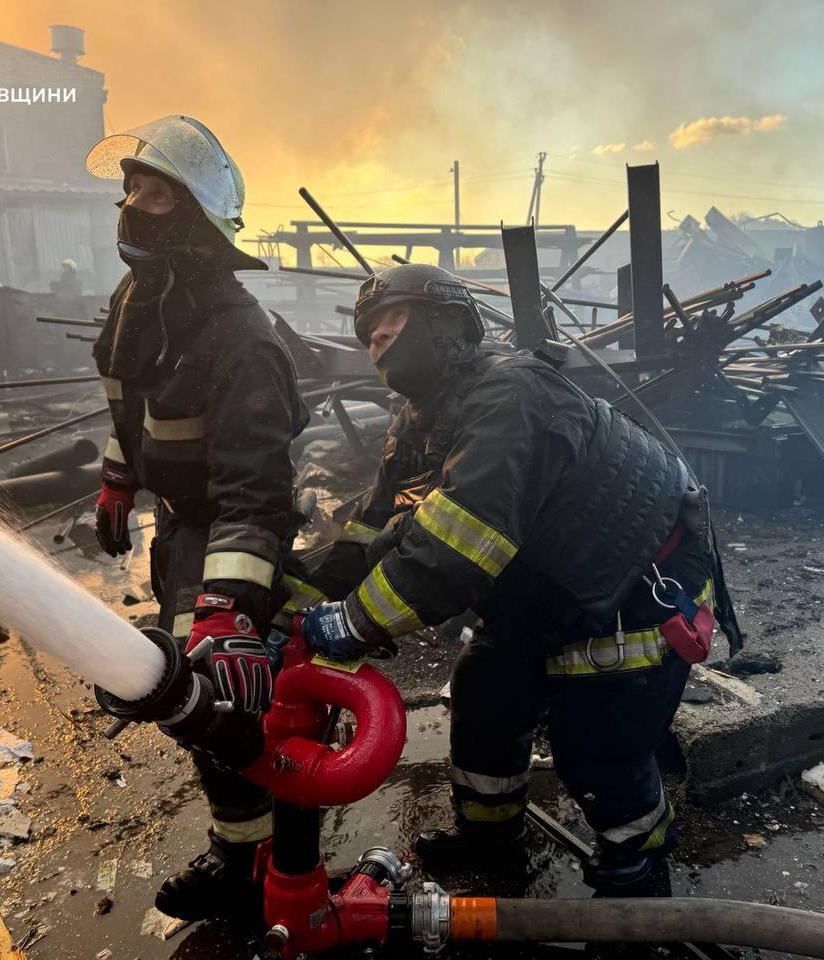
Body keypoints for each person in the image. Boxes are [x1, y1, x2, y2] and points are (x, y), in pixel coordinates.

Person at [297, 263, 741, 894]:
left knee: (597, 746)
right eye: (369, 333)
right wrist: (300, 603)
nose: (379, 339)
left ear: (449, 326)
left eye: (393, 320)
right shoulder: (419, 420)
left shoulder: (509, 395)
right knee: (485, 699)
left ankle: (638, 866)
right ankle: (490, 841)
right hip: (541, 588)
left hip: (631, 590)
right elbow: (373, 525)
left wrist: (353, 623)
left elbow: (455, 551)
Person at [84, 116, 309, 919]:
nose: (131, 208)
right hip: (180, 527)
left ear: (197, 221)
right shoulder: (141, 302)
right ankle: (242, 853)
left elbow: (258, 493)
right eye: (131, 190)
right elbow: (130, 403)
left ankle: (267, 864)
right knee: (201, 703)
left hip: (226, 536)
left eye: (154, 195)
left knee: (220, 698)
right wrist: (119, 480)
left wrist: (228, 607)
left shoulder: (240, 338)